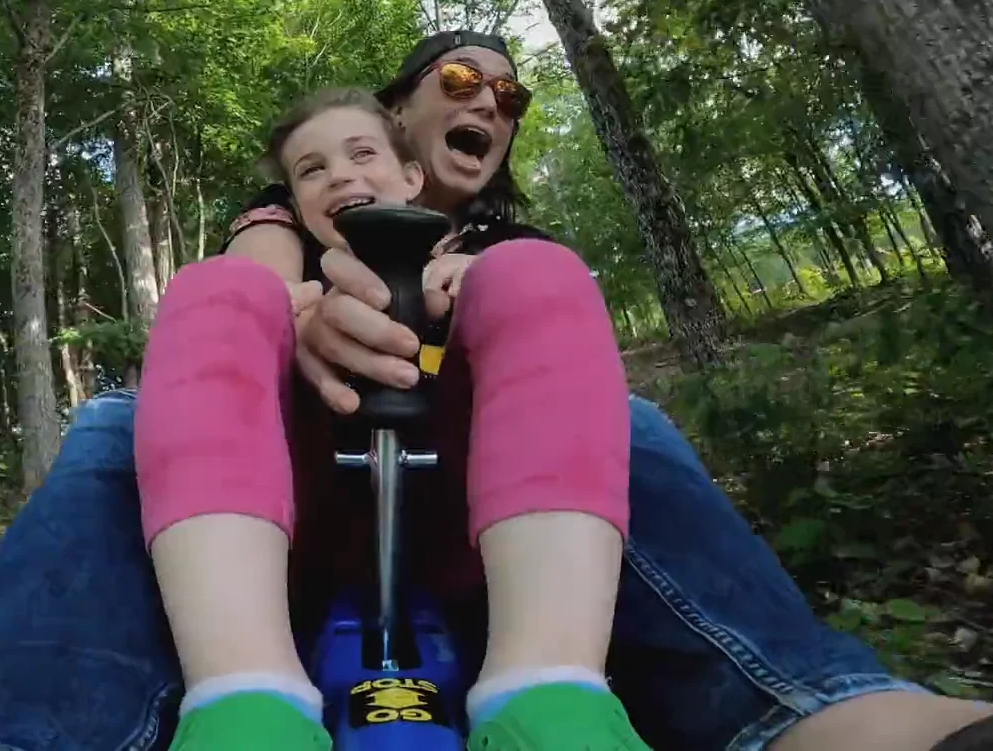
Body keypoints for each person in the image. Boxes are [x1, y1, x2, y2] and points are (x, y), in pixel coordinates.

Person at [0, 31, 993, 751]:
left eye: (508, 100)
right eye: (457, 86)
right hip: (270, 533)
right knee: (119, 415)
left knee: (605, 380)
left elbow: (527, 302)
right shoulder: (273, 234)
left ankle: (835, 719)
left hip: (501, 554)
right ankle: (51, 729)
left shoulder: (512, 253)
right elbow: (246, 282)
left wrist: (475, 284)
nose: (488, 108)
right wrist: (307, 292)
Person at [136, 87, 646, 749]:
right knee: (210, 290)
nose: (340, 174)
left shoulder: (481, 261)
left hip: (472, 528)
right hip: (296, 538)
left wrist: (474, 289)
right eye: (311, 170)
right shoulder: (288, 274)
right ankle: (243, 703)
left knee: (537, 273)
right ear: (294, 201)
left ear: (413, 178)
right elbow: (251, 291)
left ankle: (549, 691)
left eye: (362, 154)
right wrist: (299, 319)